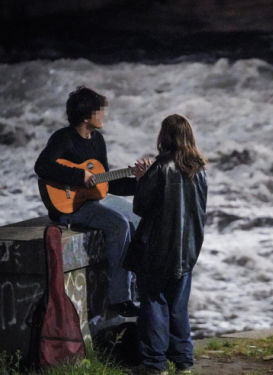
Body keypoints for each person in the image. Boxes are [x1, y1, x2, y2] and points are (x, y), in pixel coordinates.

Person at [34, 85, 148, 317]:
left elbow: (105, 184)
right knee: (119, 224)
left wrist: (141, 183)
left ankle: (139, 290)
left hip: (96, 199)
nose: (103, 115)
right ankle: (120, 298)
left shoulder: (98, 140)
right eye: (99, 111)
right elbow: (42, 166)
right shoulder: (63, 138)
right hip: (70, 206)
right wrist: (79, 176)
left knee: (138, 216)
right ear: (87, 117)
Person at [124, 114, 208, 375]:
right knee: (178, 306)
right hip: (188, 249)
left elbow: (140, 206)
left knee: (154, 305)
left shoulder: (160, 167)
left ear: (165, 136)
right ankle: (184, 362)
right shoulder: (199, 169)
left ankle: (155, 364)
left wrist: (140, 179)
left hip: (158, 249)